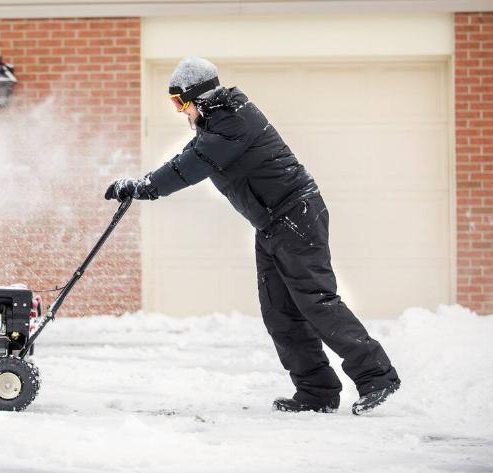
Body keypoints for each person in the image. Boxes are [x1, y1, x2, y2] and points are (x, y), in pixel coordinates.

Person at [105, 57, 400, 415]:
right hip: (273, 223)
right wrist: (142, 184)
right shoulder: (218, 120)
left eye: (181, 103)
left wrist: (145, 187)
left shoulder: (233, 121)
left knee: (315, 302)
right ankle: (317, 392)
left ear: (199, 97)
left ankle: (377, 377)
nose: (181, 112)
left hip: (296, 216)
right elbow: (187, 156)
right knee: (280, 313)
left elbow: (191, 165)